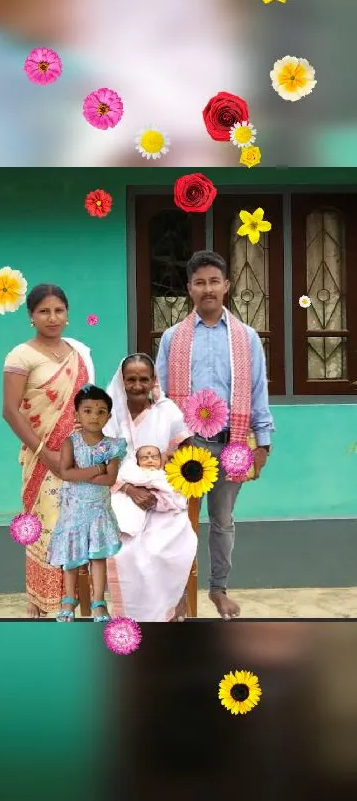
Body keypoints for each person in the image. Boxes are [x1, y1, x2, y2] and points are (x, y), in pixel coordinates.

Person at [156, 250, 275, 620]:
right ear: (189, 288)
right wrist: (159, 443)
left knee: (222, 522)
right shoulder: (173, 339)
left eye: (214, 281)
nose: (207, 289)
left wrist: (263, 441)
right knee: (179, 521)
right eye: (199, 282)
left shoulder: (247, 337)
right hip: (186, 445)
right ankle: (178, 595)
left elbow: (258, 390)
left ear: (226, 285)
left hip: (232, 442)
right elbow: (158, 394)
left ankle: (218, 589)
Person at [2, 283, 95, 619]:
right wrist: (47, 455)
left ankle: (77, 607)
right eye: (44, 311)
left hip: (81, 459)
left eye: (58, 310)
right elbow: (10, 411)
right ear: (31, 316)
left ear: (67, 314)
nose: (52, 317)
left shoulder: (78, 353)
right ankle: (44, 605)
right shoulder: (21, 356)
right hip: (44, 462)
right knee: (50, 527)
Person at [104, 353, 195, 621]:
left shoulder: (167, 412)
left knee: (165, 546)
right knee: (127, 550)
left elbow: (188, 455)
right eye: (130, 379)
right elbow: (99, 461)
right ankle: (131, 619)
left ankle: (169, 607)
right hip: (119, 492)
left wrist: (163, 481)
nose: (137, 385)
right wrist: (131, 489)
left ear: (153, 381)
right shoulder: (107, 415)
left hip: (162, 497)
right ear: (121, 381)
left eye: (144, 379)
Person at [47, 384, 127, 622]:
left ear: (109, 416)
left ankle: (98, 603)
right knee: (70, 559)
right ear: (77, 414)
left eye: (101, 411)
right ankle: (69, 600)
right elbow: (65, 473)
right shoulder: (70, 443)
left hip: (98, 512)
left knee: (98, 557)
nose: (94, 416)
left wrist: (83, 472)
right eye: (88, 410)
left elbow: (109, 479)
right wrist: (96, 468)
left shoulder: (114, 446)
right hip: (73, 512)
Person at [110, 444, 197, 622]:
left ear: (161, 460)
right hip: (133, 518)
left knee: (162, 552)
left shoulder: (166, 476)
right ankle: (129, 614)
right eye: (145, 457)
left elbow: (176, 498)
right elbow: (116, 482)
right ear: (137, 461)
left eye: (153, 457)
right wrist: (130, 489)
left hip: (164, 519)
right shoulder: (130, 472)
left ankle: (164, 608)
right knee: (126, 554)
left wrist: (158, 499)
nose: (150, 460)